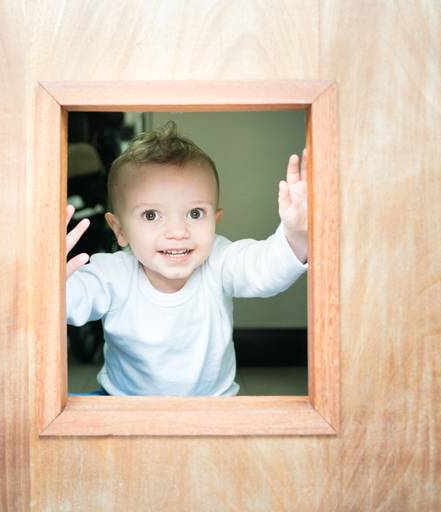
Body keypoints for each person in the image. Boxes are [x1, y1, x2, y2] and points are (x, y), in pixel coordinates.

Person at [65, 121, 308, 396]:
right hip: (125, 404)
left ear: (215, 221)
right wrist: (52, 285)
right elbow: (69, 302)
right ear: (119, 230)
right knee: (61, 416)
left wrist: (296, 235)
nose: (178, 232)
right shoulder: (112, 273)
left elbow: (263, 269)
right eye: (151, 215)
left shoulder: (219, 260)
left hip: (209, 407)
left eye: (195, 214)